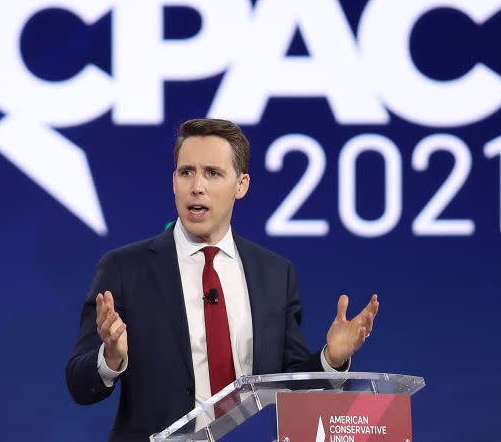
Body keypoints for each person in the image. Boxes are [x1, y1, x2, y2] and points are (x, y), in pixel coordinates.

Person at [65, 119, 379, 442]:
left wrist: (331, 360)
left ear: (241, 185)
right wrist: (111, 357)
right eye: (186, 172)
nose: (196, 186)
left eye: (212, 173)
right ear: (174, 182)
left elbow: (288, 385)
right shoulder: (125, 268)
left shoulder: (275, 274)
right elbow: (79, 383)